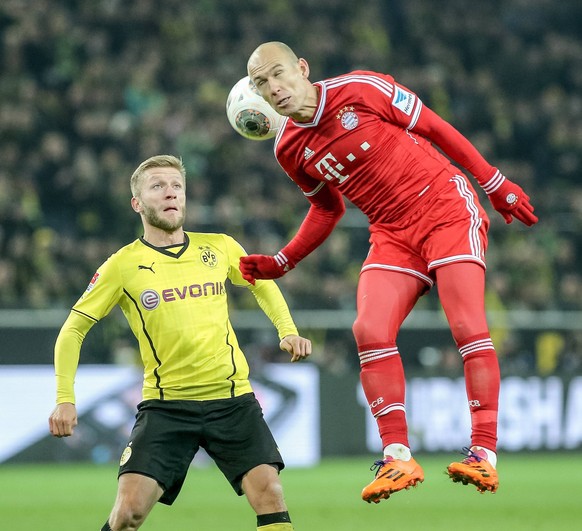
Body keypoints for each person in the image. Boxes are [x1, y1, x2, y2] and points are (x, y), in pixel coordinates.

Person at [239, 42, 538, 503]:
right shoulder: (288, 149)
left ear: (302, 68)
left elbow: (434, 127)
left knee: (466, 325)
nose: (273, 89)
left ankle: (484, 453)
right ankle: (398, 455)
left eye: (278, 74)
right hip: (392, 233)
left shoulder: (361, 88)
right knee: (369, 328)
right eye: (261, 84)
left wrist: (493, 182)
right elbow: (325, 208)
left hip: (445, 207)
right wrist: (284, 260)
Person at [48, 154, 311, 530]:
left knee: (270, 493)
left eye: (177, 186)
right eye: (158, 186)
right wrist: (65, 398)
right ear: (137, 204)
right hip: (167, 406)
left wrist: (286, 329)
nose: (170, 193)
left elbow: (262, 283)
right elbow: (72, 330)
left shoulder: (219, 247)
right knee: (129, 513)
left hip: (232, 399)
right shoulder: (121, 265)